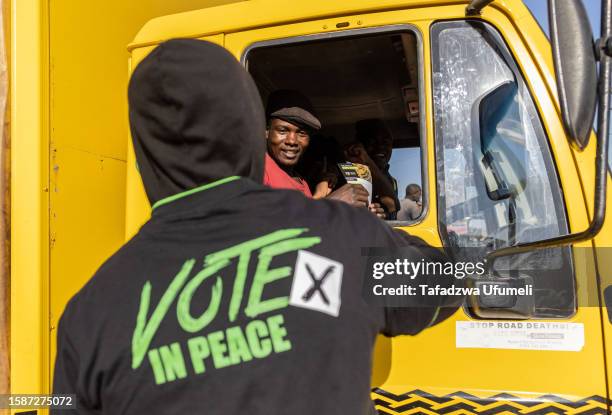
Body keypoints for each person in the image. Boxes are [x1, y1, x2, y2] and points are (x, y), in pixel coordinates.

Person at [52, 39, 461, 415]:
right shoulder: (338, 237)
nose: (292, 140)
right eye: (283, 129)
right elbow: (445, 282)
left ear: (145, 151)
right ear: (250, 130)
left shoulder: (88, 315)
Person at [263, 90, 384, 217]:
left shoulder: (301, 182)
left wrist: (359, 215)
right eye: (282, 131)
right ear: (266, 131)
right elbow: (259, 225)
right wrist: (330, 203)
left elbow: (309, 227)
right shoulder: (258, 169)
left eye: (302, 133)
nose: (292, 141)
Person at [346, 119, 401, 218]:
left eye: (386, 142)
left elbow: (394, 206)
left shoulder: (391, 181)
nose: (380, 146)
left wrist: (384, 215)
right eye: (372, 141)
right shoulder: (350, 170)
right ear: (359, 145)